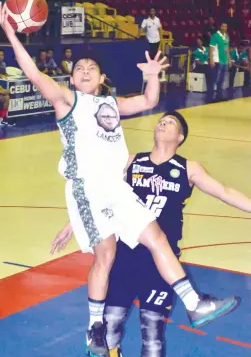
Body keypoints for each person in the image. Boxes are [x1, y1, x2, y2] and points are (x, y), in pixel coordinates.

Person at [0, 2, 238, 357]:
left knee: (156, 236)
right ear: (71, 78)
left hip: (117, 187)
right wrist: (10, 35)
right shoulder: (68, 102)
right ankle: (95, 329)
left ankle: (194, 302)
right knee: (105, 255)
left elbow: (149, 99)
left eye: (91, 67)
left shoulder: (110, 103)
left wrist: (153, 73)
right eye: (78, 67)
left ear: (101, 78)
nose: (83, 70)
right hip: (89, 188)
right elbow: (34, 75)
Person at [105, 110, 248, 357]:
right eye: (161, 121)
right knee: (110, 327)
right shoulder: (130, 162)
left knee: (152, 332)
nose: (163, 123)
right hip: (125, 256)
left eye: (170, 122)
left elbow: (224, 191)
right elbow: (102, 197)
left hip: (162, 262)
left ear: (180, 137)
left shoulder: (188, 167)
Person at [209, 22, 231, 102]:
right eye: (223, 26)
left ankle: (219, 96)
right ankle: (211, 98)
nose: (224, 28)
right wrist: (211, 59)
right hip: (217, 60)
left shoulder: (226, 36)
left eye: (226, 26)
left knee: (222, 80)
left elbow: (227, 48)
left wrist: (229, 59)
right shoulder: (215, 36)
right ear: (220, 27)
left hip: (224, 61)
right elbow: (211, 48)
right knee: (214, 80)